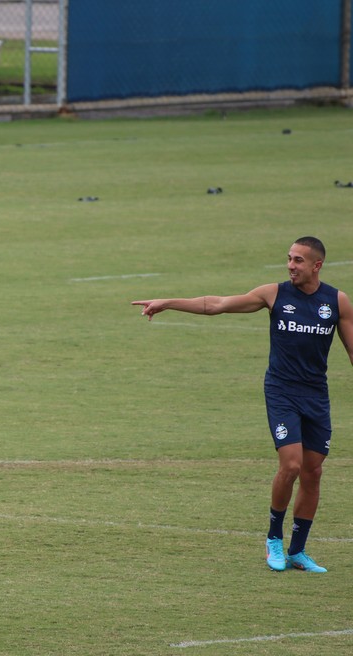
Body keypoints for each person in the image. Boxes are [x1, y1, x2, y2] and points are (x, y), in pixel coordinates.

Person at [132, 236, 353, 574]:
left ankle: (298, 551)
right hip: (281, 392)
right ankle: (273, 540)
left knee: (313, 472)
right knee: (291, 465)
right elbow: (216, 304)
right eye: (289, 259)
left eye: (298, 260)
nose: (290, 265)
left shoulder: (337, 302)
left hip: (316, 397)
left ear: (316, 265)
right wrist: (168, 302)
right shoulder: (274, 294)